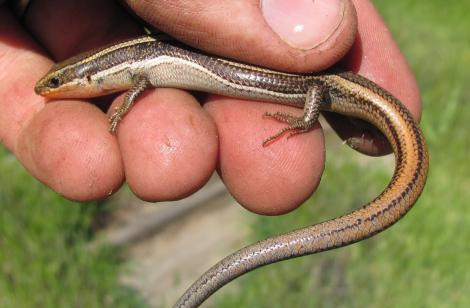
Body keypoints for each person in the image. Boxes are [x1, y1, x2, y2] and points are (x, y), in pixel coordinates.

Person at [0, 0, 421, 214]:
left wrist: (303, 123)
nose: (49, 89)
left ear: (86, 75)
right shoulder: (131, 62)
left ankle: (314, 122)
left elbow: (140, 79)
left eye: (56, 83)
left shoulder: (132, 66)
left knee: (311, 94)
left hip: (319, 86)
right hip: (318, 85)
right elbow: (141, 77)